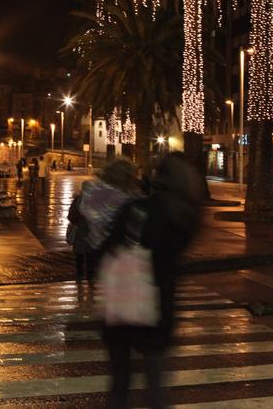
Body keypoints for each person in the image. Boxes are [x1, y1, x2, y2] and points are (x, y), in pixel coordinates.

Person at [100, 153, 201, 409]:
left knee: (120, 382)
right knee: (155, 384)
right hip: (157, 308)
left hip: (122, 303)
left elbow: (107, 250)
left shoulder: (136, 210)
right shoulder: (185, 219)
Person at [66, 190, 92, 281]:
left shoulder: (77, 201)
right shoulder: (95, 201)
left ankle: (80, 274)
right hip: (91, 231)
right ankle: (90, 275)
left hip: (79, 231)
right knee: (90, 254)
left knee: (79, 254)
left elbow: (70, 216)